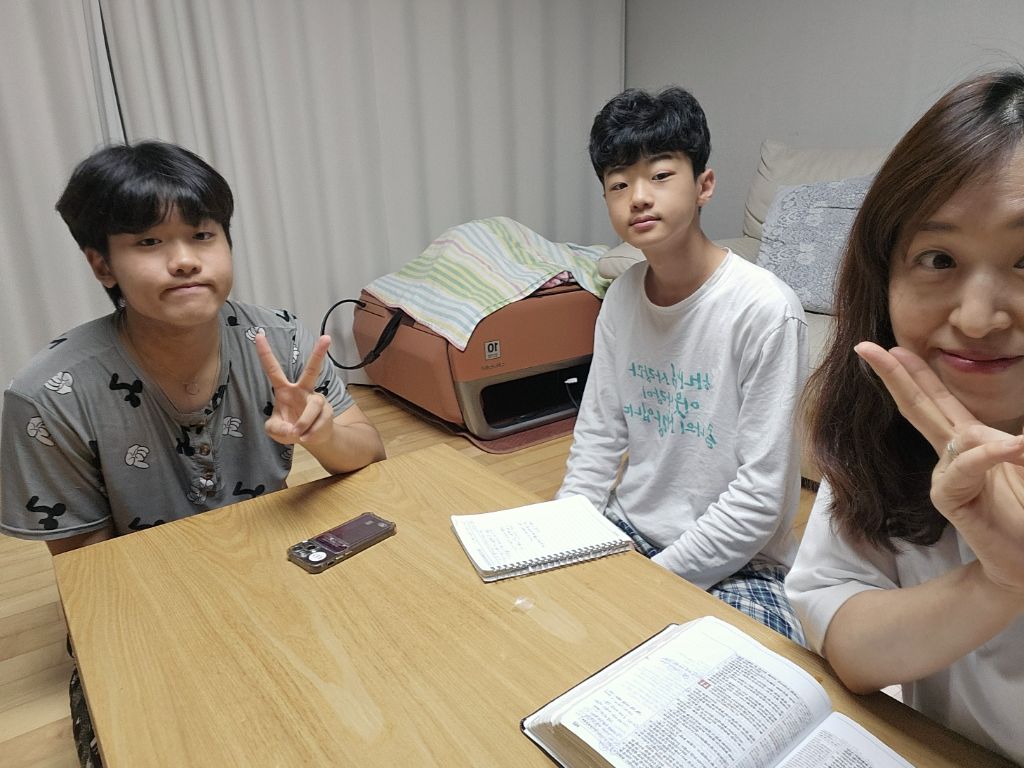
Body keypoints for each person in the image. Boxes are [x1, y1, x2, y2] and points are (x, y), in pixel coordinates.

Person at [0, 140, 386, 766]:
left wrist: (320, 433)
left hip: (277, 563)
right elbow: (92, 575)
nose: (184, 261)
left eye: (202, 235)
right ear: (103, 265)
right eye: (149, 242)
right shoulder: (49, 396)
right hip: (148, 603)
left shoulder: (281, 339)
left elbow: (369, 455)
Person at [786, 68, 1024, 764]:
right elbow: (845, 633)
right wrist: (998, 580)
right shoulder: (883, 430)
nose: (976, 318)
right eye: (938, 258)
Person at [558, 87, 808, 643]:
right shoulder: (622, 298)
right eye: (619, 185)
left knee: (735, 671)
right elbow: (598, 438)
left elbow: (760, 499)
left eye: (660, 175)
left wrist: (651, 585)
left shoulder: (765, 310)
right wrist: (563, 534)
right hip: (627, 529)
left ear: (704, 186)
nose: (638, 197)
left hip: (741, 561)